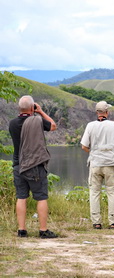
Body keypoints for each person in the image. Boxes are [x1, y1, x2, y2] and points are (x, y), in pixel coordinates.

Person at [9, 95, 58, 238]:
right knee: (41, 197)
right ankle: (43, 230)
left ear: (19, 108)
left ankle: (21, 230)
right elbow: (53, 126)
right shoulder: (37, 120)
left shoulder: (12, 123)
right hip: (35, 165)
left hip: (18, 165)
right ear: (32, 108)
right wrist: (41, 112)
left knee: (21, 197)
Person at [81, 101, 114, 229]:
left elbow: (84, 146)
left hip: (95, 163)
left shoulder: (90, 126)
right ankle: (113, 222)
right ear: (107, 112)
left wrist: (94, 152)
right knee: (112, 192)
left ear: (97, 112)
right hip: (110, 163)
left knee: (94, 192)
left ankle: (96, 222)